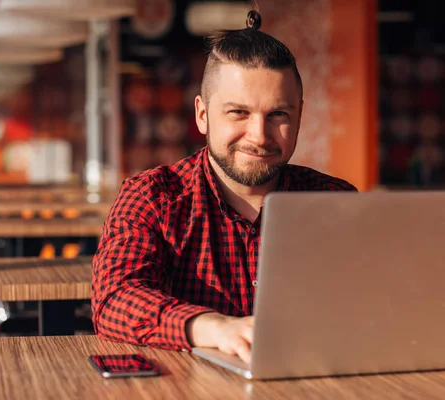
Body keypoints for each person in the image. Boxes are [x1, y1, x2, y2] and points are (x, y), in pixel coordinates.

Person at [92, 9, 357, 364]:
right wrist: (215, 328)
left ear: (299, 116)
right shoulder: (153, 198)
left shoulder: (335, 201)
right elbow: (115, 299)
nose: (259, 136)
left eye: (278, 114)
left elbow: (381, 302)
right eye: (239, 113)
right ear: (202, 115)